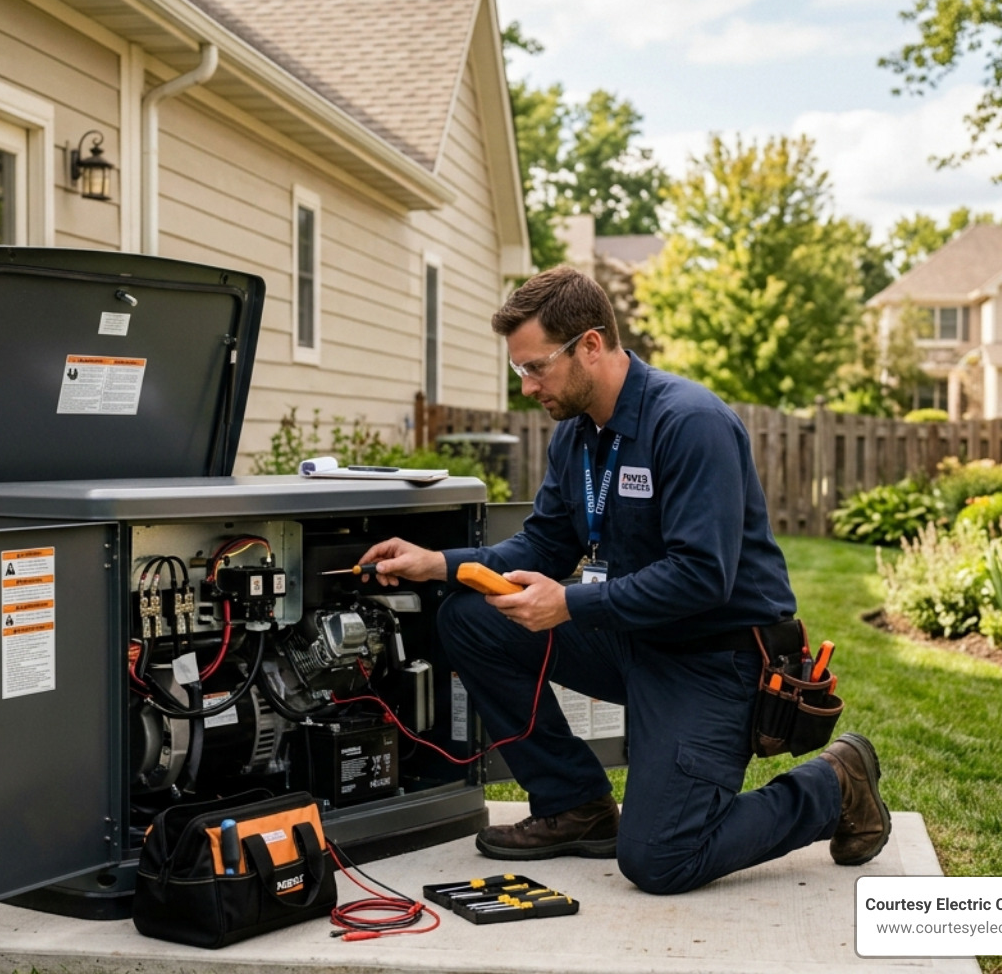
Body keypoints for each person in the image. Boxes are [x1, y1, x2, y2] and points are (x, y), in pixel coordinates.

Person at [356, 266, 889, 895]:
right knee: (470, 617)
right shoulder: (577, 438)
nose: (526, 386)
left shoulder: (689, 423)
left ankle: (835, 784)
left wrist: (570, 604)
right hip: (633, 638)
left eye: (535, 367)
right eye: (517, 371)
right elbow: (547, 544)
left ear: (589, 345)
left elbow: (702, 578)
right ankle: (574, 805)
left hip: (715, 659)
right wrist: (439, 563)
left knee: (661, 860)